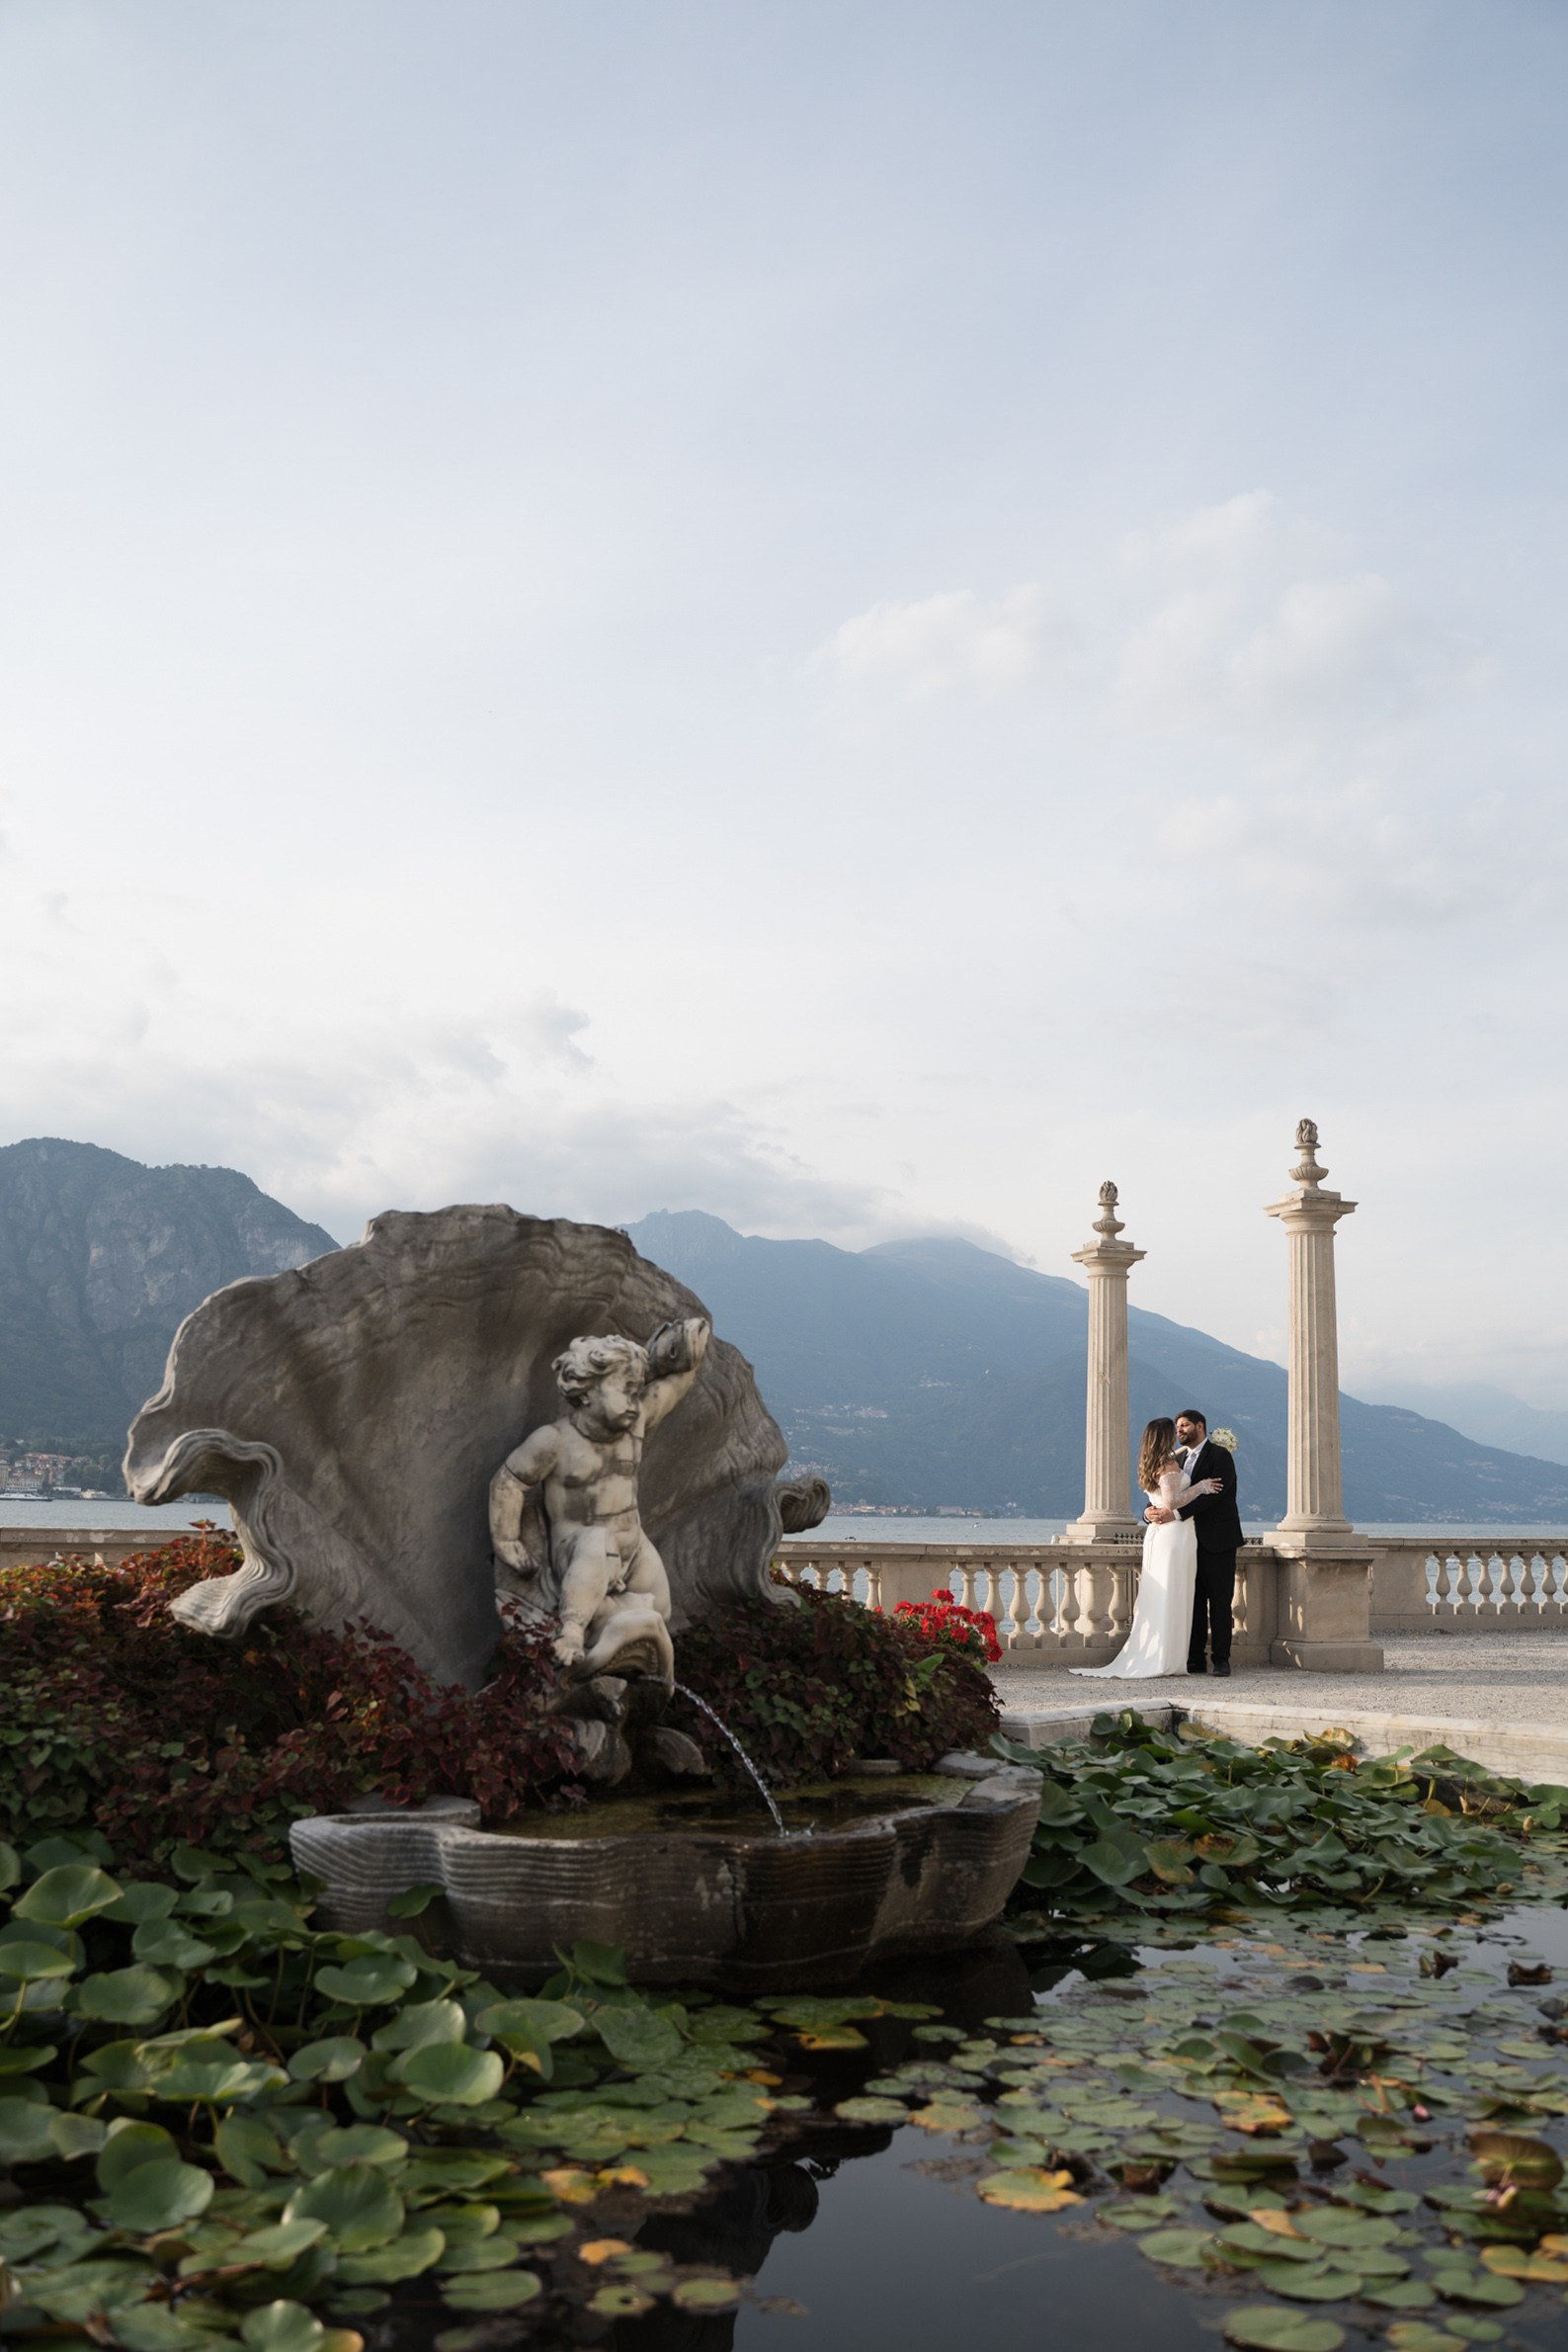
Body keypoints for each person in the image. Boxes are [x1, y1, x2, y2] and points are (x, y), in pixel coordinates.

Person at [488, 1316, 709, 1678]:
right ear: (587, 1390)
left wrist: (688, 1350)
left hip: (632, 1546)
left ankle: (613, 1628)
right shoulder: (554, 1441)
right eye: (624, 1389)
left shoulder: (634, 1426)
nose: (633, 1401)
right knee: (596, 1541)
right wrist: (506, 1539)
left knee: (662, 1609)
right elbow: (509, 1482)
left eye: (637, 1390)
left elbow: (674, 1387)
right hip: (576, 1550)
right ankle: (572, 1629)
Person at [1070, 1417, 1220, 1680]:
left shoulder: (1152, 1460)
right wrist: (1201, 1486)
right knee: (1175, 1592)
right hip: (1175, 1534)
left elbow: (1163, 1495)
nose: (1177, 1434)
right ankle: (1169, 1659)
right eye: (1171, 1431)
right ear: (1163, 1436)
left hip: (1159, 1534)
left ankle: (1164, 1655)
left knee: (1163, 1593)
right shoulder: (1168, 1462)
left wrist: (1208, 1443)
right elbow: (1173, 1501)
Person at [1143, 1407, 1243, 1677]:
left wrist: (1174, 1513)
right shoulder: (1176, 1457)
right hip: (1185, 1542)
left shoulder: (1220, 1456)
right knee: (1193, 1601)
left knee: (1220, 1602)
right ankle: (1194, 1658)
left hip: (1218, 1540)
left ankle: (1221, 1659)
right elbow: (1164, 1493)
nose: (1180, 1431)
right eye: (1177, 1427)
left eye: (1185, 1425)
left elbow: (1216, 1496)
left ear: (1200, 1426)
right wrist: (1148, 1512)